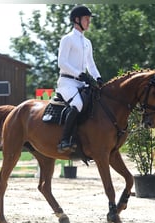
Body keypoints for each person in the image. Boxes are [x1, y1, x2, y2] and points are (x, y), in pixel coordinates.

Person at [56, 5, 103, 153]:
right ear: (77, 20)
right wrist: (79, 74)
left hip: (81, 83)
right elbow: (61, 62)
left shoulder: (87, 42)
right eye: (86, 19)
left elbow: (91, 64)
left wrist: (99, 78)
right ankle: (64, 140)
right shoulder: (67, 39)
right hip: (67, 82)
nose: (89, 22)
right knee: (77, 104)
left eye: (89, 19)